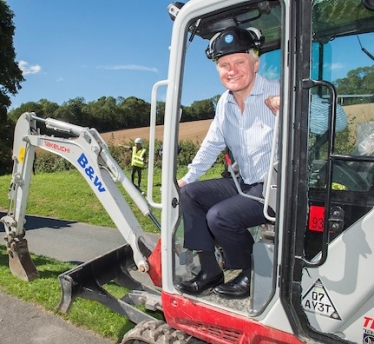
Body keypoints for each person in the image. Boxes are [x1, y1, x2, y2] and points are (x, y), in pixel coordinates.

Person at [176, 26, 279, 299]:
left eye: (239, 62)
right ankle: (210, 269)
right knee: (190, 194)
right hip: (245, 181)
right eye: (224, 65)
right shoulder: (225, 103)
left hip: (276, 188)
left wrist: (293, 105)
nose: (231, 70)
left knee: (220, 216)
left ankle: (253, 271)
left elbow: (335, 121)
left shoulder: (280, 92)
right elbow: (212, 143)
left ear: (255, 64)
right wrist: (188, 177)